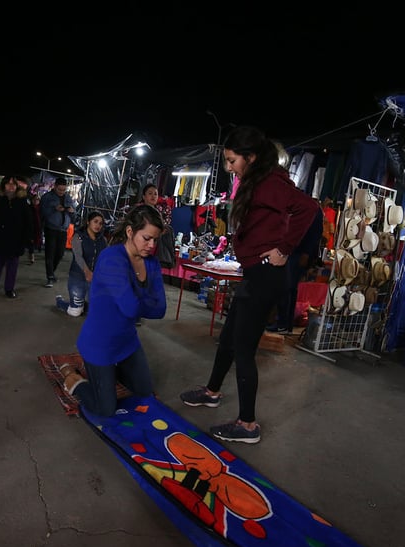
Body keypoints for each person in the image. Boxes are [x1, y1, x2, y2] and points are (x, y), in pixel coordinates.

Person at [179, 125, 322, 444]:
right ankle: (212, 392)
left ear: (251, 157)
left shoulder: (270, 182)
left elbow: (308, 208)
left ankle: (247, 425)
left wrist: (284, 249)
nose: (229, 167)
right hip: (255, 273)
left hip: (266, 275)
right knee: (229, 338)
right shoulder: (257, 181)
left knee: (243, 348)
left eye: (232, 161)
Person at [61, 204, 167, 417]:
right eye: (146, 238)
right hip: (99, 342)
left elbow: (161, 309)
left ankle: (106, 376)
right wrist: (142, 301)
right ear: (130, 232)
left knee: (145, 391)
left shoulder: (152, 263)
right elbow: (132, 308)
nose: (151, 245)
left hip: (127, 340)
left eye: (155, 240)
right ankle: (72, 377)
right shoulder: (111, 258)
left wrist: (136, 302)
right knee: (105, 409)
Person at [265, 206, 323, 334]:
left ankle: (283, 324)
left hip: (298, 252)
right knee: (289, 288)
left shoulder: (313, 209)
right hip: (294, 251)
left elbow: (315, 234)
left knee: (287, 288)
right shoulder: (306, 206)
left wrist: (306, 253)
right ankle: (284, 324)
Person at [0, 175, 33, 298]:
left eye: (14, 184)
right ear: (3, 185)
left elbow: (28, 220)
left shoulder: (22, 201)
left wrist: (27, 238)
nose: (11, 186)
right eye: (8, 183)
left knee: (12, 266)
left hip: (16, 238)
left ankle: (9, 288)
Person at [56, 210, 107, 316]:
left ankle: (84, 302)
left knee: (97, 311)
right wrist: (87, 272)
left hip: (94, 279)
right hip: (77, 278)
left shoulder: (103, 240)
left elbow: (105, 258)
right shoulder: (77, 237)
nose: (98, 225)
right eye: (95, 221)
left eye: (100, 223)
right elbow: (78, 256)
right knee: (75, 312)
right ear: (88, 222)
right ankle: (60, 302)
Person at [40, 177, 75, 288]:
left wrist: (71, 211)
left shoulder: (68, 197)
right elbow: (42, 211)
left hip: (63, 229)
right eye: (60, 189)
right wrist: (54, 209)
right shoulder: (47, 197)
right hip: (51, 228)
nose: (61, 192)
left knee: (60, 253)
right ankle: (50, 277)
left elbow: (74, 212)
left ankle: (51, 272)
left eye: (64, 190)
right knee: (50, 253)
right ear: (55, 187)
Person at [27, 190, 42, 265]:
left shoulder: (41, 209)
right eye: (35, 200)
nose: (36, 201)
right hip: (30, 228)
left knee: (36, 241)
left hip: (38, 228)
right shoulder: (29, 208)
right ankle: (32, 257)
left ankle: (36, 250)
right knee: (31, 243)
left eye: (37, 200)